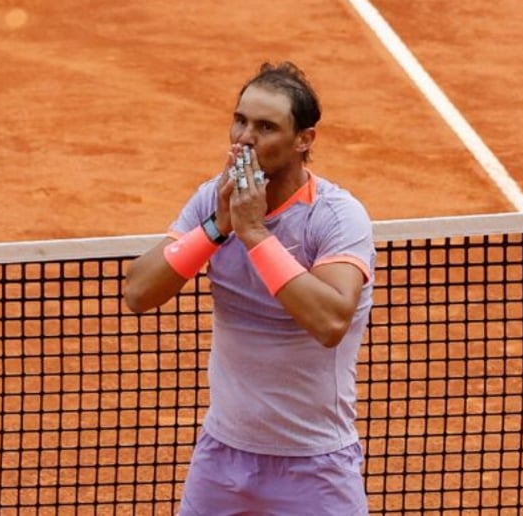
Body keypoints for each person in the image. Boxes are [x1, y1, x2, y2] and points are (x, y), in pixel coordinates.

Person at [123, 61, 375, 515]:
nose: (244, 138)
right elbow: (139, 292)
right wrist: (218, 226)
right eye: (239, 120)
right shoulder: (212, 199)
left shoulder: (336, 217)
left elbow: (330, 321)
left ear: (304, 140)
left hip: (315, 465)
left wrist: (255, 234)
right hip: (222, 461)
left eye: (265, 126)